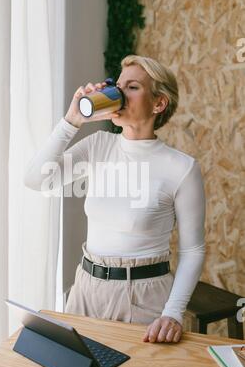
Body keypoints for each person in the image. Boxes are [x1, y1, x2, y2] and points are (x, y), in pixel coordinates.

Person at [24, 55, 206, 344]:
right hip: (86, 287)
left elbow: (193, 250)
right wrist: (72, 120)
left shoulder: (181, 168)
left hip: (144, 296)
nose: (119, 94)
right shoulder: (98, 145)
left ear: (159, 103)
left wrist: (173, 312)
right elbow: (36, 179)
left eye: (132, 87)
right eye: (117, 86)